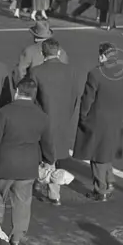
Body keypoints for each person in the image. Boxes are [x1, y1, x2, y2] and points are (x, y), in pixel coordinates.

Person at [0, 77, 55, 245]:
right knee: (22, 204)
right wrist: (49, 161)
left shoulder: (4, 113)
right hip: (28, 169)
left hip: (1, 168)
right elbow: (48, 144)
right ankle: (17, 240)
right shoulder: (41, 116)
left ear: (17, 92)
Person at [74, 42, 123, 202]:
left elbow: (88, 99)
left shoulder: (96, 74)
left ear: (102, 56)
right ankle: (109, 181)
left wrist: (83, 117)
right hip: (116, 119)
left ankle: (100, 189)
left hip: (97, 119)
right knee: (106, 151)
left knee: (97, 155)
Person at [28, 39, 78, 205]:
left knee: (44, 154)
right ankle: (53, 191)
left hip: (42, 119)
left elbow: (32, 98)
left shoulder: (36, 71)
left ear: (42, 53)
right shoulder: (70, 70)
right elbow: (74, 96)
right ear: (58, 52)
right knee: (53, 154)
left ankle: (47, 188)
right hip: (63, 118)